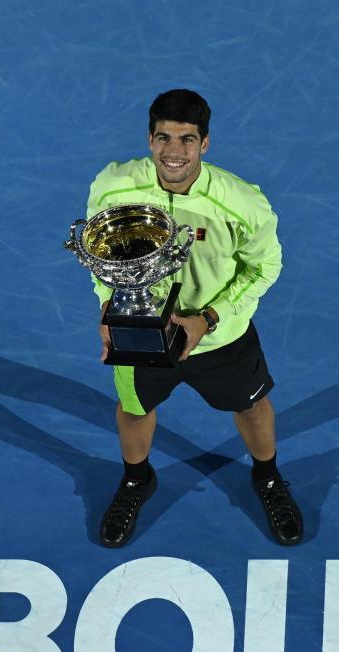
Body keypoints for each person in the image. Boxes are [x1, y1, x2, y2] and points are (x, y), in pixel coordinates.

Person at [86, 88, 303, 547]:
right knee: (134, 408)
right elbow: (102, 255)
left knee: (251, 406)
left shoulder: (242, 203)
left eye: (186, 140)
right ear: (149, 139)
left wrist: (211, 317)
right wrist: (109, 305)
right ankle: (136, 479)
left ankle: (266, 477)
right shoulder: (113, 187)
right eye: (164, 138)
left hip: (219, 338)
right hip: (141, 328)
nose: (173, 152)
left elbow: (266, 266)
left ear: (205, 144)